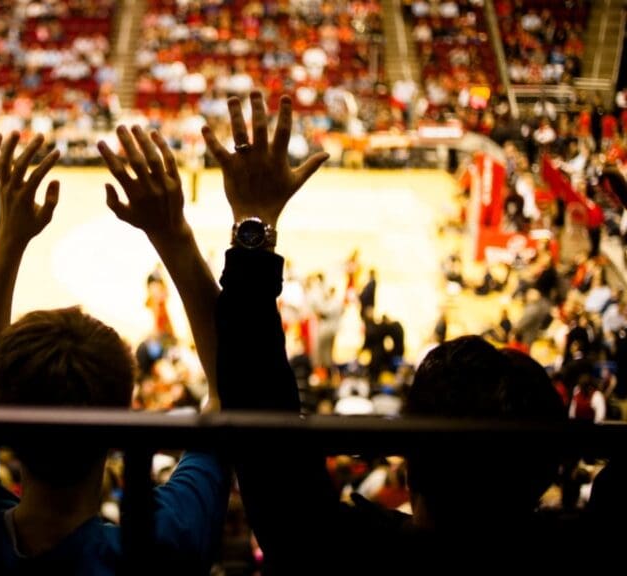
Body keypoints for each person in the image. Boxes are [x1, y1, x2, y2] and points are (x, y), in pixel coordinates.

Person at [208, 91, 576, 564]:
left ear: (409, 465)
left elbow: (257, 417)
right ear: (547, 465)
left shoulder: (339, 551)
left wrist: (250, 225)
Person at [0, 125, 228, 573]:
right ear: (123, 416)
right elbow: (227, 390)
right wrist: (173, 234)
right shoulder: (164, 542)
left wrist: (7, 238)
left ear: (3, 427)